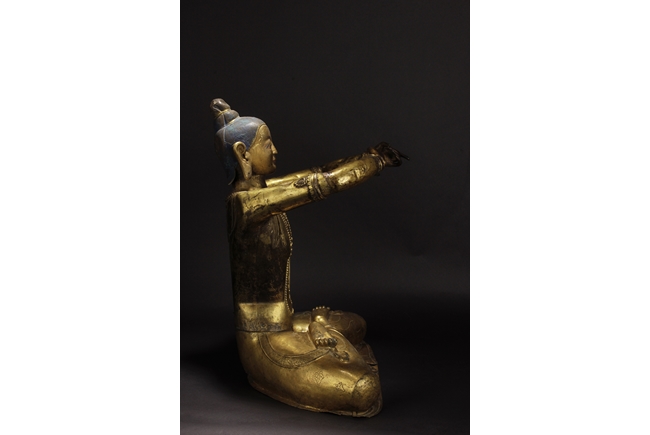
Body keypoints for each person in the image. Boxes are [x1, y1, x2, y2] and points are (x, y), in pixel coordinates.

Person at [211, 98, 407, 417]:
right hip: (264, 341)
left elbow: (318, 173)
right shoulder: (246, 205)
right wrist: (375, 162)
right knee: (363, 389)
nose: (275, 150)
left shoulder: (263, 191)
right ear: (242, 154)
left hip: (287, 322)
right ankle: (319, 334)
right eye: (267, 143)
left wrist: (368, 155)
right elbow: (324, 183)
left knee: (356, 325)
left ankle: (319, 329)